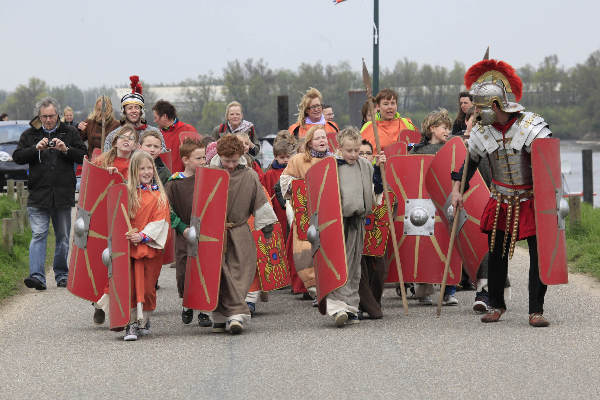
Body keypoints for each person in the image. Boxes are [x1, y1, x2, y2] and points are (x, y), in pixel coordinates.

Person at [450, 59, 552, 327]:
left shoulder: (531, 125)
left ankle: (536, 310)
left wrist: (552, 201)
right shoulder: (483, 131)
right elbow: (469, 162)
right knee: (496, 255)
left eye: (482, 108)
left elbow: (548, 166)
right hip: (501, 199)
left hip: (530, 200)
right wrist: (457, 189)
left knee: (538, 256)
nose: (477, 114)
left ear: (496, 106)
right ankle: (496, 304)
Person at [12, 97, 86, 290]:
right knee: (38, 234)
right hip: (38, 194)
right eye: (44, 116)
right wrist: (35, 149)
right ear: (39, 116)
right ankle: (37, 277)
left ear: (58, 115)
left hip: (62, 193)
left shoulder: (70, 132)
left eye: (51, 116)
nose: (48, 120)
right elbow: (17, 157)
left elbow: (83, 155)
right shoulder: (30, 134)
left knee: (62, 237)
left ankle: (62, 274)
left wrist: (66, 149)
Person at [211, 135, 277, 334]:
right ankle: (221, 316)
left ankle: (236, 315)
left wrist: (266, 227)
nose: (230, 165)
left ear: (241, 156)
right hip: (216, 233)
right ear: (219, 156)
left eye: (234, 160)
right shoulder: (209, 174)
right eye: (226, 160)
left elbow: (259, 200)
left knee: (240, 272)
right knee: (220, 275)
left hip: (240, 230)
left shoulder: (249, 175)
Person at [326, 127, 385, 327]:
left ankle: (350, 307)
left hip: (357, 223)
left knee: (354, 267)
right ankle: (336, 307)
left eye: (356, 151)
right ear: (339, 147)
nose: (353, 155)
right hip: (337, 224)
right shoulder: (331, 166)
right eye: (349, 150)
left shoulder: (364, 165)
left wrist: (379, 169)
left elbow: (374, 189)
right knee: (337, 264)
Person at [410, 109, 458, 306]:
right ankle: (423, 290)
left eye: (449, 127)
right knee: (425, 248)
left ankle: (449, 291)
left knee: (448, 246)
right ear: (432, 129)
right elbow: (411, 179)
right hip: (423, 205)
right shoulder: (416, 152)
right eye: (444, 127)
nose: (448, 131)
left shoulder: (452, 151)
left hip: (445, 204)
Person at [279, 125, 333, 301]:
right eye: (318, 138)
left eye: (324, 137)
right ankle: (314, 288)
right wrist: (300, 187)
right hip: (306, 213)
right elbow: (286, 179)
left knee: (329, 250)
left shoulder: (334, 160)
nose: (322, 141)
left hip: (329, 212)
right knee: (306, 250)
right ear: (309, 142)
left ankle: (331, 287)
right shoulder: (298, 160)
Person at [122, 151, 170, 341]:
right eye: (142, 168)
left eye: (149, 167)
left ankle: (144, 318)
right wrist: (129, 235)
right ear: (134, 170)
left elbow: (161, 221)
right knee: (131, 286)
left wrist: (142, 236)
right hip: (129, 248)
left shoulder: (159, 195)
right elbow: (117, 216)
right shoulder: (127, 193)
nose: (146, 171)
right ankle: (131, 323)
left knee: (148, 287)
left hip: (150, 247)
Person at [164, 138, 212, 328]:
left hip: (206, 232)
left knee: (204, 269)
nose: (203, 161)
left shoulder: (209, 179)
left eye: (204, 158)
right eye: (198, 158)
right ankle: (187, 304)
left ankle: (203, 310)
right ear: (185, 159)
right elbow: (167, 208)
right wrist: (181, 227)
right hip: (184, 232)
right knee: (185, 270)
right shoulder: (175, 183)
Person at [357, 139, 387, 319]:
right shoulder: (347, 171)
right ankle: (363, 305)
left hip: (374, 229)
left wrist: (378, 169)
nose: (363, 156)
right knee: (359, 269)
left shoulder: (376, 172)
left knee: (379, 267)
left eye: (367, 153)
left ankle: (374, 302)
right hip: (355, 227)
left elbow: (378, 192)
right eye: (360, 153)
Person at [104, 75, 165, 153]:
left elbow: (163, 156)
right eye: (130, 108)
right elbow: (106, 159)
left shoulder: (156, 133)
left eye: (136, 107)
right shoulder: (113, 136)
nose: (134, 111)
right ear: (124, 112)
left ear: (141, 111)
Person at [264, 131, 297, 240]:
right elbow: (267, 195)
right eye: (282, 157)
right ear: (276, 157)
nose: (286, 160)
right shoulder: (270, 174)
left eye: (288, 157)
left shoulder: (295, 170)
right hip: (278, 213)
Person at [152, 99, 199, 173]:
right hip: (164, 180)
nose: (155, 121)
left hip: (184, 179)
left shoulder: (188, 130)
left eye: (156, 118)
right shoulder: (156, 135)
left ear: (164, 116)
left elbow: (197, 156)